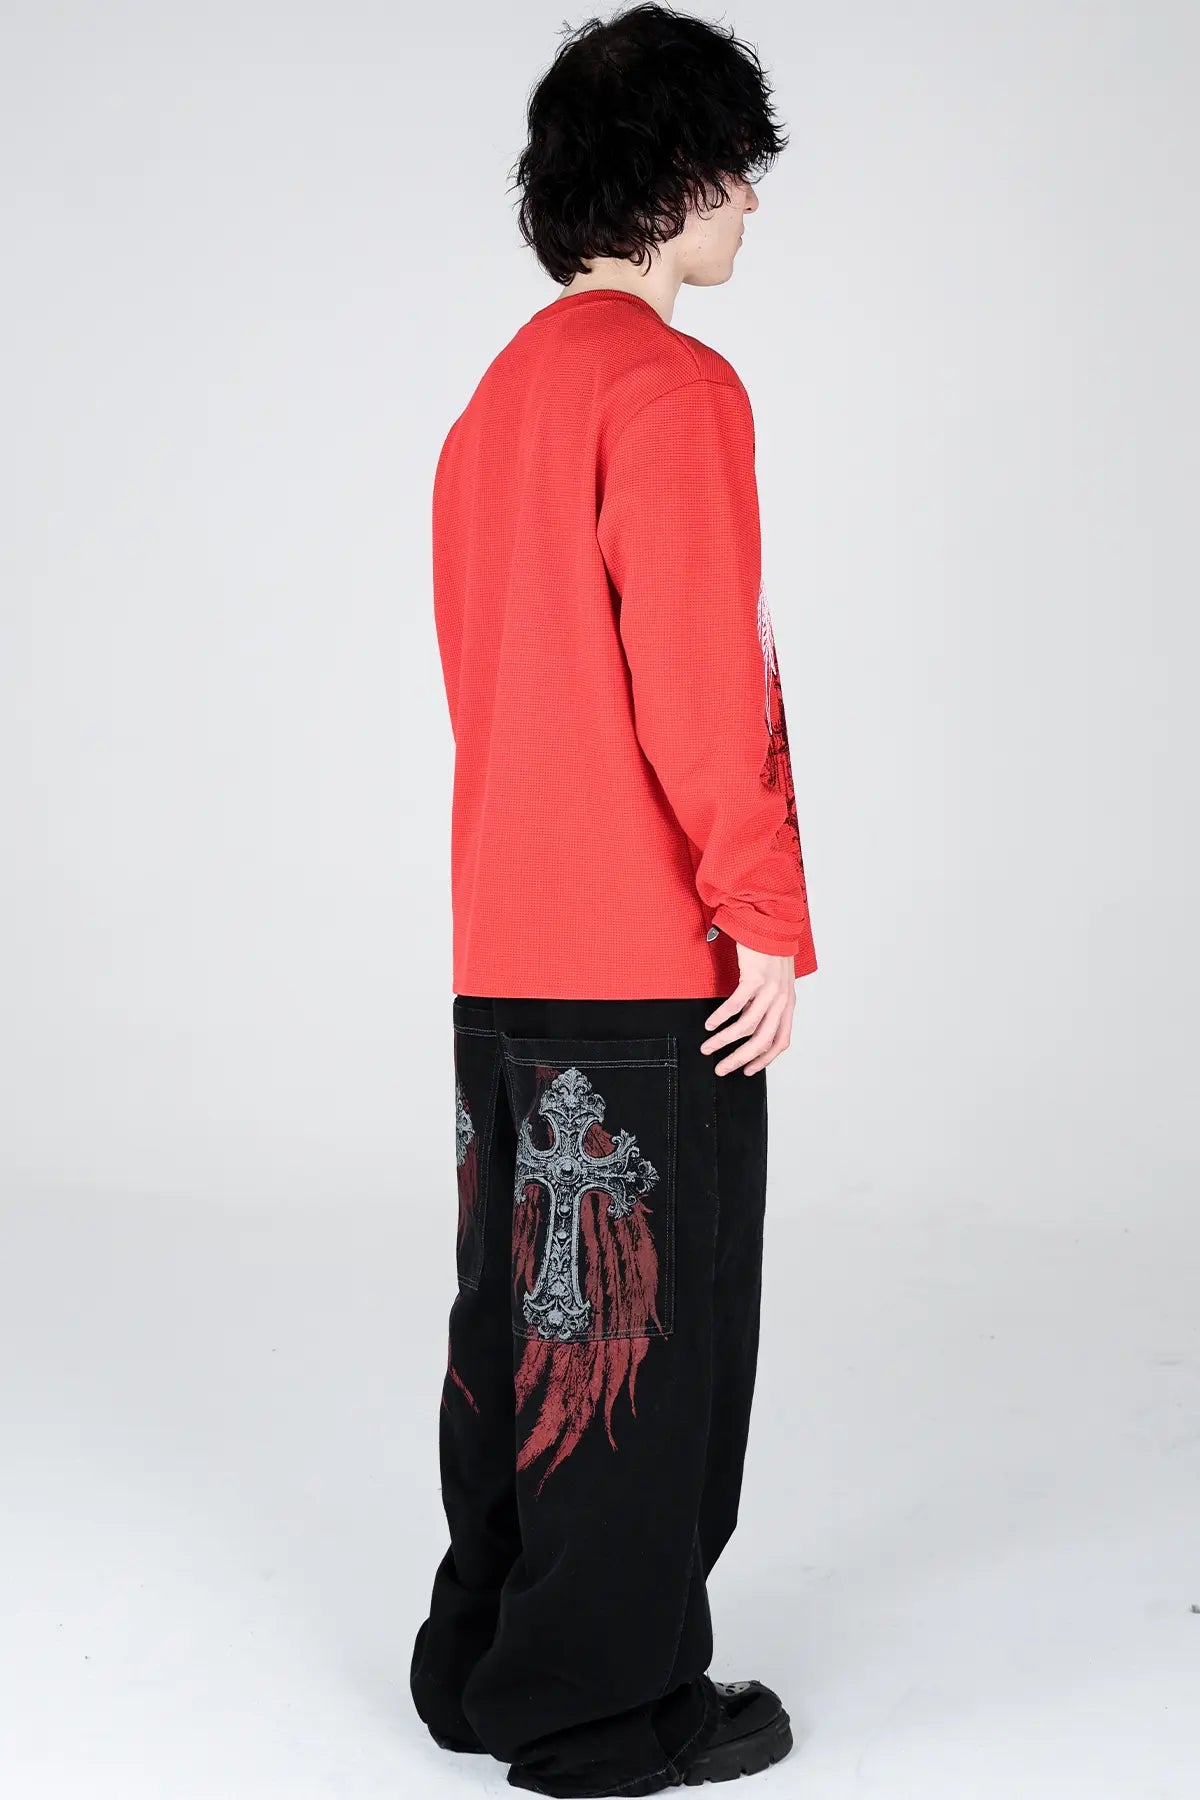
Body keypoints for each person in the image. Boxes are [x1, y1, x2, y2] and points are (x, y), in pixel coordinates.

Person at [409, 5, 817, 1793]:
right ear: (674, 178)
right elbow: (702, 686)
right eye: (737, 172)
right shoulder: (672, 391)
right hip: (645, 965)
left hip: (501, 949)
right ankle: (598, 1709)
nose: (752, 206)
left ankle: (482, 1658)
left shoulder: (493, 407)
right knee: (649, 1351)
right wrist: (765, 911)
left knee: (519, 1332)